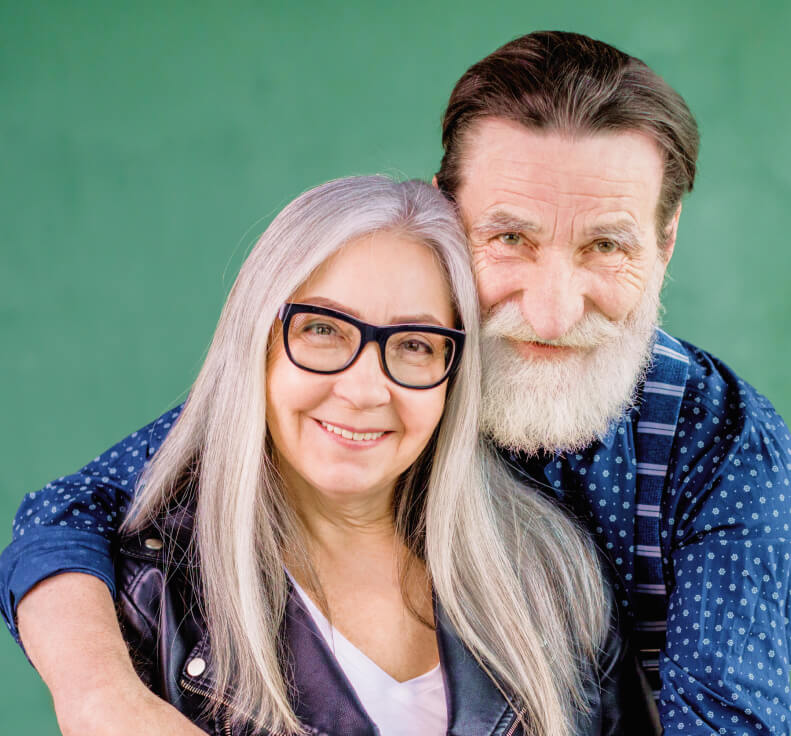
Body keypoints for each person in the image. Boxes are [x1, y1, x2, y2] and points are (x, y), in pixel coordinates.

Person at [2, 29, 790, 735]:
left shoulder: (716, 442)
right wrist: (102, 697)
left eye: (605, 247)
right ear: (447, 222)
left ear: (665, 242)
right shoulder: (361, 375)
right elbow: (77, 510)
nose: (552, 311)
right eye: (510, 237)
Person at [1, 175, 656, 735]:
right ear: (255, 342)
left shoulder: (551, 575)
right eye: (321, 330)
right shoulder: (150, 594)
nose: (365, 389)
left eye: (414, 345)